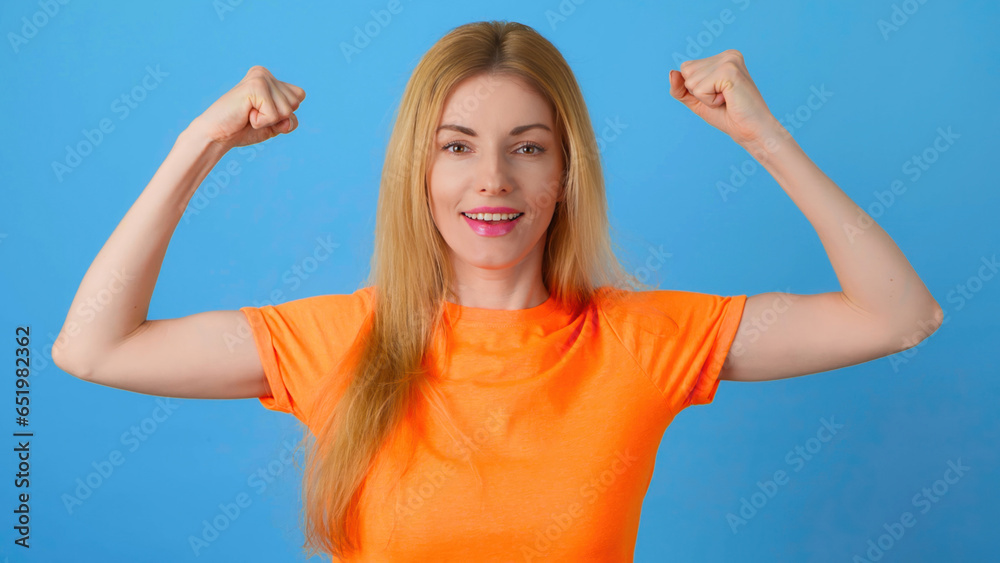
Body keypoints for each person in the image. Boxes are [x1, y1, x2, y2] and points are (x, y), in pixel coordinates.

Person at [54, 20, 942, 562]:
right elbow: (90, 346)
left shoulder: (642, 338)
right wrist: (198, 143)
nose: (493, 181)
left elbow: (900, 316)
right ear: (418, 170)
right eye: (456, 146)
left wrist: (764, 136)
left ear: (565, 171)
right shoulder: (335, 342)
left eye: (527, 146)